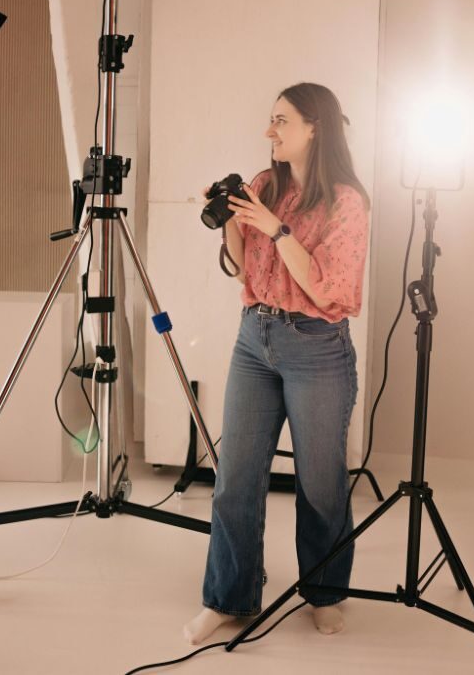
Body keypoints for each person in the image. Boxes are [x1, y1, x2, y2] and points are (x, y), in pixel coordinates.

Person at [184, 82, 371, 645]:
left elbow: (328, 289)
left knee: (320, 484)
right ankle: (229, 596)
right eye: (270, 120)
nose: (270, 132)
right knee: (235, 477)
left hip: (316, 347)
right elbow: (243, 269)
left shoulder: (346, 201)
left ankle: (325, 592)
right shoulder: (265, 184)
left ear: (315, 127)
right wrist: (230, 221)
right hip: (254, 340)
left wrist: (276, 228)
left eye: (281, 121)